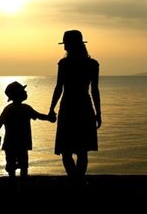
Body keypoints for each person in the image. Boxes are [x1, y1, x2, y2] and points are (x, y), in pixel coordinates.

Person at [48, 30, 101, 186]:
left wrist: (52, 108)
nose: (64, 47)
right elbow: (95, 90)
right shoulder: (92, 64)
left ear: (69, 45)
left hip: (68, 106)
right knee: (82, 149)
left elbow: (59, 87)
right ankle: (78, 180)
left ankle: (74, 180)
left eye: (65, 44)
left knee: (66, 149)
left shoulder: (64, 64)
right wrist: (99, 113)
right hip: (85, 105)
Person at [0, 81, 56, 178]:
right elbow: (39, 116)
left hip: (10, 143)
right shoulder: (26, 108)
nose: (25, 92)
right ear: (19, 94)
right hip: (23, 142)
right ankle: (23, 185)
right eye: (23, 91)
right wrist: (49, 118)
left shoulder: (8, 109)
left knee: (11, 166)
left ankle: (13, 184)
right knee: (23, 166)